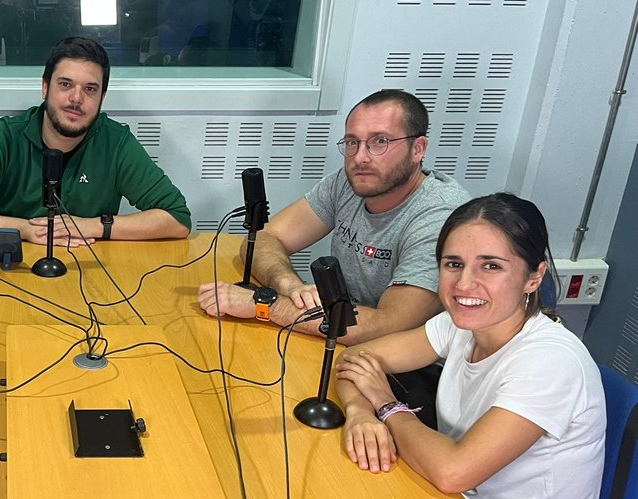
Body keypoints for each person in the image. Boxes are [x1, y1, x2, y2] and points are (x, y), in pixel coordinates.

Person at [334, 194, 605, 499]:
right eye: (453, 264)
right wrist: (359, 413)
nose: (464, 285)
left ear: (534, 277)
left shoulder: (550, 361)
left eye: (491, 266)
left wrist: (387, 405)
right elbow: (356, 358)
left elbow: (453, 472)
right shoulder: (462, 323)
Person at [198, 89, 470, 346]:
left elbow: (385, 325)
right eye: (353, 142)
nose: (360, 157)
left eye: (380, 141)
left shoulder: (440, 218)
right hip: (339, 337)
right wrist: (288, 284)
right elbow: (265, 238)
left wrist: (264, 304)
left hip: (400, 367)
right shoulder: (349, 183)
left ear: (418, 148)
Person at [0, 36, 191, 247]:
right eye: (65, 84)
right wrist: (27, 229)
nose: (76, 99)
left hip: (91, 269)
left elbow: (177, 219)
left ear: (102, 97)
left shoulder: (116, 142)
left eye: (90, 89)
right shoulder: (7, 136)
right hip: (19, 268)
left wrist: (92, 225)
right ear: (45, 88)